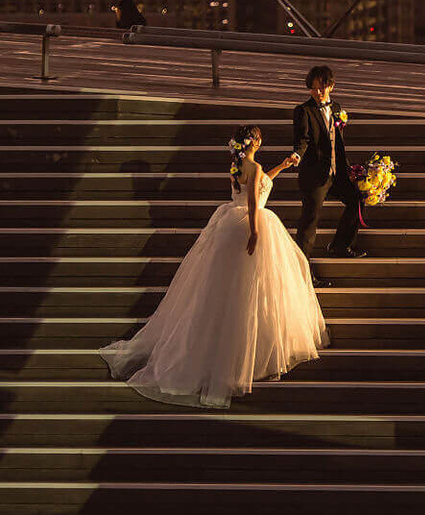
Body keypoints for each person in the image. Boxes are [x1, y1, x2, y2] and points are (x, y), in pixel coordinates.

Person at [99, 125, 328, 407]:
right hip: (251, 225)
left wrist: (281, 165)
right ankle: (245, 356)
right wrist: (255, 233)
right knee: (254, 288)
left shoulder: (237, 166)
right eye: (259, 137)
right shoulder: (253, 167)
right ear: (256, 141)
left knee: (226, 288)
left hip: (230, 224)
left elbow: (258, 186)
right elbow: (256, 202)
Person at [279, 66, 365, 281]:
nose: (318, 92)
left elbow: (339, 142)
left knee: (356, 200)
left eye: (322, 88)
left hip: (338, 172)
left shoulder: (337, 108)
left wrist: (349, 169)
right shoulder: (303, 111)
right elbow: (302, 140)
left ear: (331, 86)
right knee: (309, 221)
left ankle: (340, 245)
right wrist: (296, 156)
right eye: (313, 89)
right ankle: (303, 271)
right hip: (315, 175)